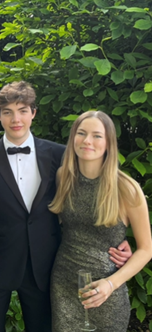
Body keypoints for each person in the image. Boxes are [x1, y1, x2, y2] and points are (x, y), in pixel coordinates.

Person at [0, 81, 132, 332]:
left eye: (22, 110)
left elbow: (92, 196)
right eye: (7, 112)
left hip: (46, 263)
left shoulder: (59, 154)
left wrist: (119, 237)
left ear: (33, 112)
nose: (15, 119)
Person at [49, 110, 152, 331]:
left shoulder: (126, 188)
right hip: (64, 285)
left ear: (109, 143)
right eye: (81, 133)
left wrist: (110, 284)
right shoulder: (63, 178)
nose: (87, 141)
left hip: (108, 291)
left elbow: (146, 249)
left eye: (97, 135)